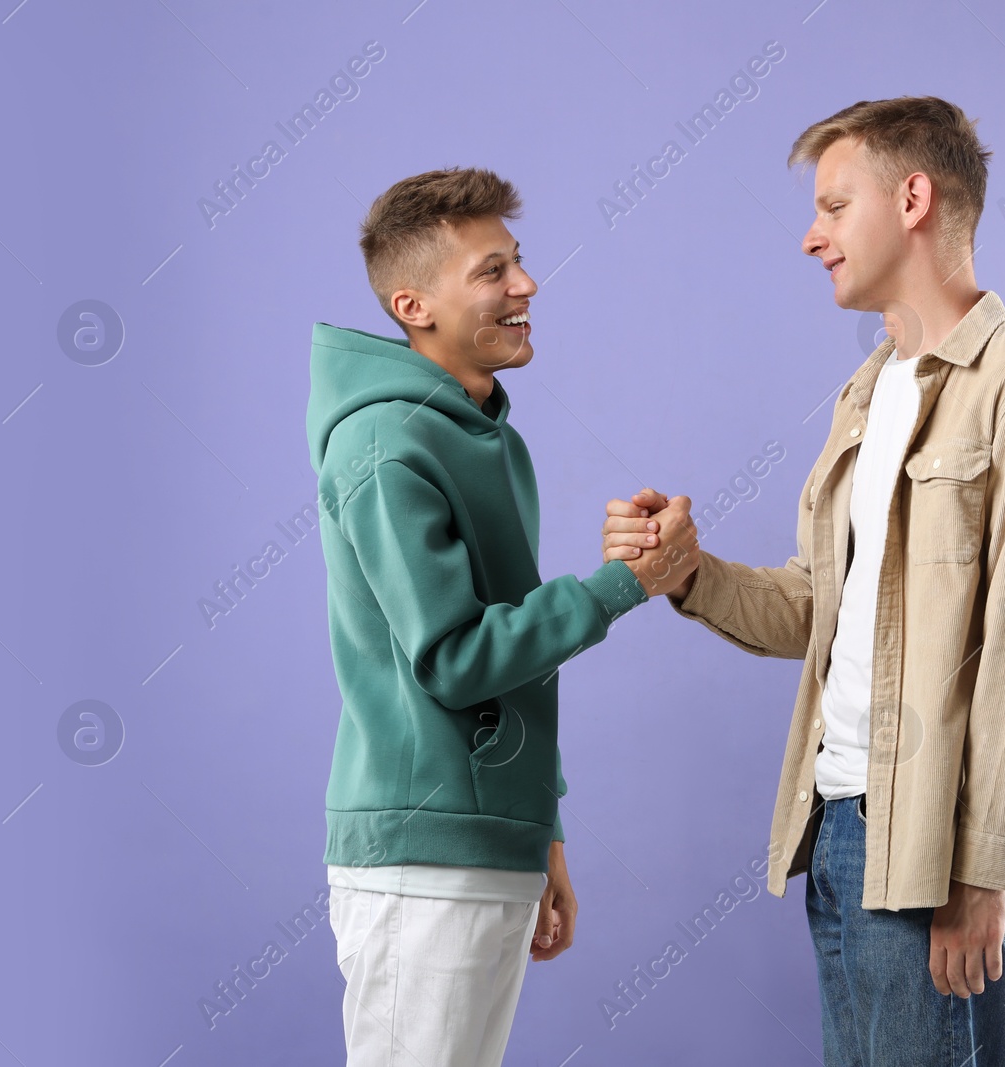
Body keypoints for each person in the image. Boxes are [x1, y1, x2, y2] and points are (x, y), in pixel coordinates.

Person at [602, 97, 1005, 1066]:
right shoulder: (868, 392)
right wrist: (688, 573)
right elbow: (821, 603)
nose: (811, 235)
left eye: (834, 206)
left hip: (937, 859)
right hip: (840, 832)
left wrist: (983, 873)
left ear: (912, 197)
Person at [307, 166, 699, 1066]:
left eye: (517, 263)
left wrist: (539, 830)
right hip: (421, 856)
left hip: (483, 849)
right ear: (415, 304)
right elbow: (452, 657)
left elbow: (505, 650)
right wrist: (621, 585)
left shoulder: (484, 436)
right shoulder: (383, 443)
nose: (525, 286)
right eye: (493, 271)